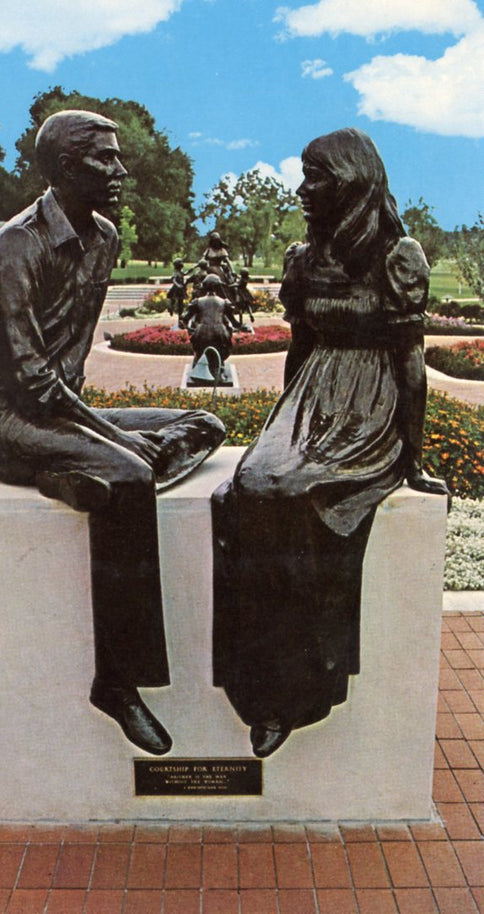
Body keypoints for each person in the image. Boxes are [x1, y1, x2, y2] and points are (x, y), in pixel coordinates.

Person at [0, 110, 225, 756]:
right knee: (131, 475)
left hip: (58, 408)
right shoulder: (13, 250)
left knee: (205, 424)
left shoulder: (102, 239)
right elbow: (30, 382)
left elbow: (69, 365)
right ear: (63, 169)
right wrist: (117, 443)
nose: (121, 171)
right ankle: (118, 683)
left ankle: (74, 471)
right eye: (105, 159)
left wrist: (100, 430)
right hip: (7, 420)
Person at [212, 127, 449, 759]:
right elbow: (301, 349)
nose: (302, 189)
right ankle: (255, 684)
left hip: (370, 404)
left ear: (349, 182)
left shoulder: (399, 257)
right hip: (314, 398)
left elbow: (411, 364)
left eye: (315, 176)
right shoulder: (303, 257)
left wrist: (413, 458)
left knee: (292, 492)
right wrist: (280, 428)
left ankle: (299, 687)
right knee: (250, 485)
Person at [184, 273, 237, 366]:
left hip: (202, 332)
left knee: (199, 350)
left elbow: (185, 318)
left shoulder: (197, 301)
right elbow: (234, 322)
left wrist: (190, 328)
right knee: (223, 346)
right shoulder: (224, 302)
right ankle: (220, 366)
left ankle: (199, 364)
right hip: (220, 333)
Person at [167, 257, 187, 325]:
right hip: (176, 290)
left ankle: (180, 317)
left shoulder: (180, 272)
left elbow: (185, 273)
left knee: (180, 304)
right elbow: (173, 280)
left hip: (181, 290)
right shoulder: (176, 272)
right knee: (173, 300)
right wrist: (178, 285)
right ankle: (170, 308)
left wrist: (193, 268)